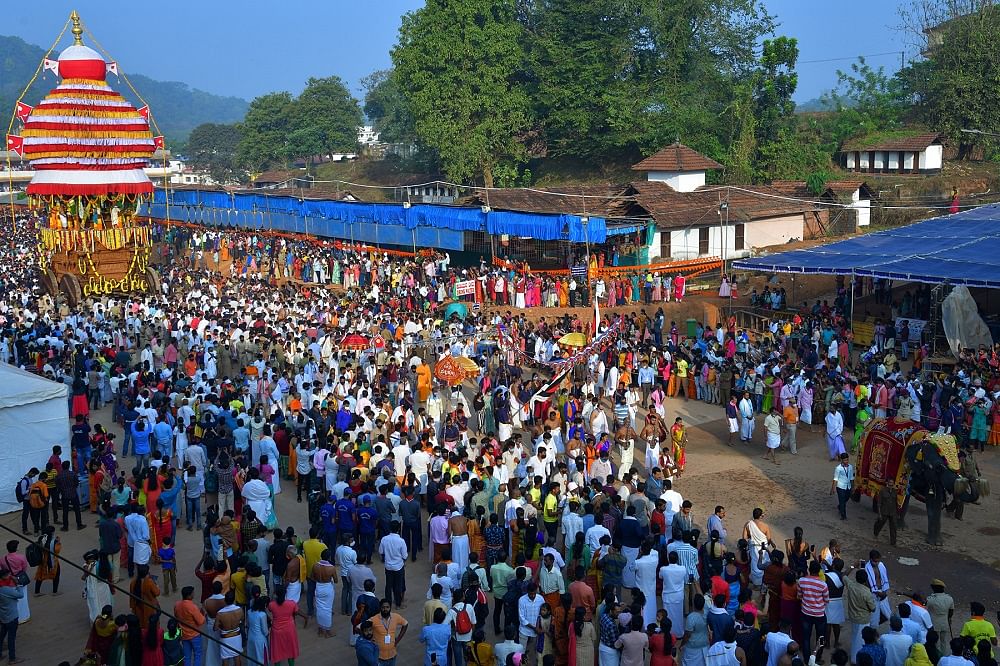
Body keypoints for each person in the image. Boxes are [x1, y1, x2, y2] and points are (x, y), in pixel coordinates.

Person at [269, 584, 309, 665]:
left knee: (277, 652)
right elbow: (297, 612)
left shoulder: (272, 605)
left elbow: (270, 608)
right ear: (285, 593)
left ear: (276, 593)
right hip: (289, 630)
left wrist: (274, 596)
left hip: (276, 631)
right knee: (290, 650)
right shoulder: (292, 604)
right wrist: (305, 617)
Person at [372, 597, 409, 666]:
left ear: (390, 608)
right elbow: (359, 628)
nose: (385, 609)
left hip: (392, 656)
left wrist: (397, 640)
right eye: (383, 607)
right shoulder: (374, 619)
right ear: (380, 608)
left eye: (387, 607)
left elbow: (405, 624)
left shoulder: (395, 617)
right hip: (379, 658)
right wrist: (370, 640)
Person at [0, 568, 23, 664]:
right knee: (11, 638)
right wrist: (18, 584)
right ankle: (12, 658)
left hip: (3, 616)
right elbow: (20, 595)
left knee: (1, 636)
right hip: (11, 616)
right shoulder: (5, 590)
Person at [830, 453, 854, 520]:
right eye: (845, 460)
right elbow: (835, 479)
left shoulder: (850, 467)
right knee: (842, 500)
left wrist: (853, 487)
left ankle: (840, 506)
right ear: (842, 460)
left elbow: (852, 478)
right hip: (840, 487)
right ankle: (843, 515)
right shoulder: (838, 468)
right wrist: (833, 488)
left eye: (847, 460)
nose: (846, 461)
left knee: (846, 498)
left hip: (848, 486)